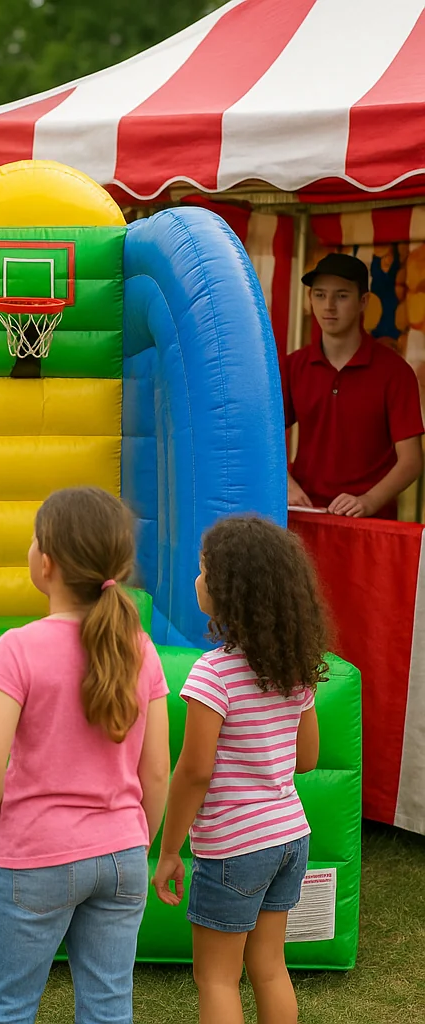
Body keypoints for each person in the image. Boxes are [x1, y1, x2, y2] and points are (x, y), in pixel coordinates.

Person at [0, 487, 171, 1024]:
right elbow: (156, 771)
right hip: (122, 854)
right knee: (108, 1010)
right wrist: (138, 839)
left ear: (47, 562)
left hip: (36, 852)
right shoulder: (141, 649)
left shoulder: (19, 647)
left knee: (6, 1007)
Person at [153, 516, 329, 1024]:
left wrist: (169, 849)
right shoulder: (295, 668)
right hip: (289, 837)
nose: (197, 580)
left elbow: (194, 772)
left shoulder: (213, 674)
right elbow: (307, 758)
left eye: (204, 571)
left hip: (234, 847)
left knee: (216, 978)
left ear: (230, 591)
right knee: (270, 968)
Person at [284, 251, 423, 519]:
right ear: (310, 298)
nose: (329, 306)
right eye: (320, 295)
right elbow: (256, 436)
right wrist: (286, 484)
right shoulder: (293, 366)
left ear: (363, 302)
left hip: (371, 526)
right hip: (305, 516)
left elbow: (412, 461)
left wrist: (368, 501)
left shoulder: (395, 372)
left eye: (342, 296)